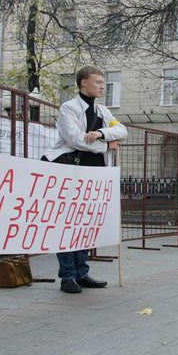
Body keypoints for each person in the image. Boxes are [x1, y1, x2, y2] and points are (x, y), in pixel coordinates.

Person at [43, 65, 127, 294]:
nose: (102, 86)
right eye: (98, 81)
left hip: (95, 171)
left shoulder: (102, 112)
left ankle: (82, 272)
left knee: (86, 223)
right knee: (68, 222)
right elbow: (75, 139)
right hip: (72, 168)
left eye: (103, 82)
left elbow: (122, 131)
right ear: (84, 82)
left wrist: (101, 133)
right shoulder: (68, 108)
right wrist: (106, 145)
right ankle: (67, 275)